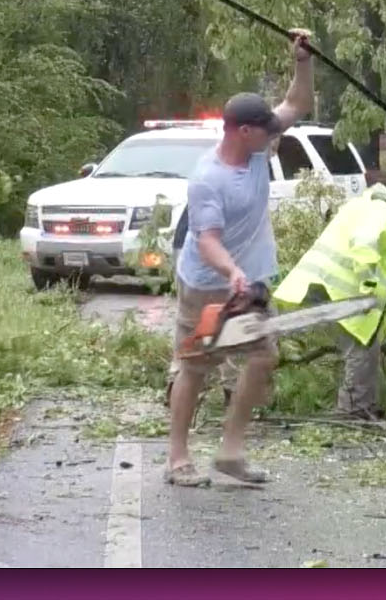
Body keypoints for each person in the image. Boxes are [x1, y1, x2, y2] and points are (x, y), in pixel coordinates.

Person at [165, 29, 314, 488]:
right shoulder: (209, 178)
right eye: (265, 132)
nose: (275, 136)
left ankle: (230, 453)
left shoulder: (257, 150)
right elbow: (206, 239)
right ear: (243, 131)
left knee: (263, 356)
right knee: (195, 366)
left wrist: (303, 61)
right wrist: (231, 272)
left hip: (250, 283)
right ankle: (177, 459)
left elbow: (296, 104)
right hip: (207, 283)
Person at [272, 178, 386, 420]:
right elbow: (363, 245)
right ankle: (351, 412)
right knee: (361, 350)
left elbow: (383, 272)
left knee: (368, 348)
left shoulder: (382, 208)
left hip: (335, 287)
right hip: (339, 289)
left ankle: (363, 408)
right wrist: (367, 287)